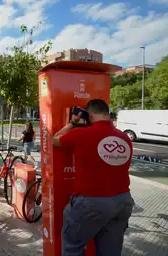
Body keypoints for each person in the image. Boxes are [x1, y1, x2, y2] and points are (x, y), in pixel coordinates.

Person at [52, 99, 134, 256]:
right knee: (110, 251)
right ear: (107, 114)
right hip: (123, 201)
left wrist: (73, 123)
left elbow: (55, 139)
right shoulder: (124, 138)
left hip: (90, 203)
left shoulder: (81, 134)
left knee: (72, 247)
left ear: (89, 115)